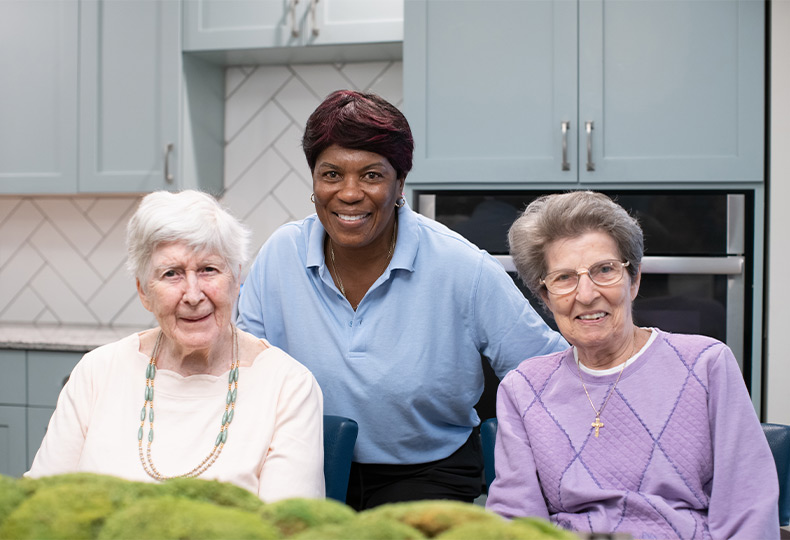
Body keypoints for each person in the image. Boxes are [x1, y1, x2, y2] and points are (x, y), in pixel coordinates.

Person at [236, 89, 567, 510]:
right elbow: (244, 372)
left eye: (371, 175)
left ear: (400, 184)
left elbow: (550, 376)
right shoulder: (281, 254)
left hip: (426, 474)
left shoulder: (462, 266)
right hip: (301, 465)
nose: (349, 193)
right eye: (331, 174)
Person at [486, 191, 779, 539]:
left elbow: (748, 510)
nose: (586, 294)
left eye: (604, 270)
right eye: (564, 278)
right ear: (545, 297)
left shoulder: (706, 365)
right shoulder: (523, 388)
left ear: (634, 279)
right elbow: (516, 524)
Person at [26, 190, 325, 502]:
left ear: (237, 278)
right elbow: (41, 501)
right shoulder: (97, 371)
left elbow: (288, 526)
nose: (193, 295)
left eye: (209, 269)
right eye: (172, 274)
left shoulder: (289, 387)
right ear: (144, 291)